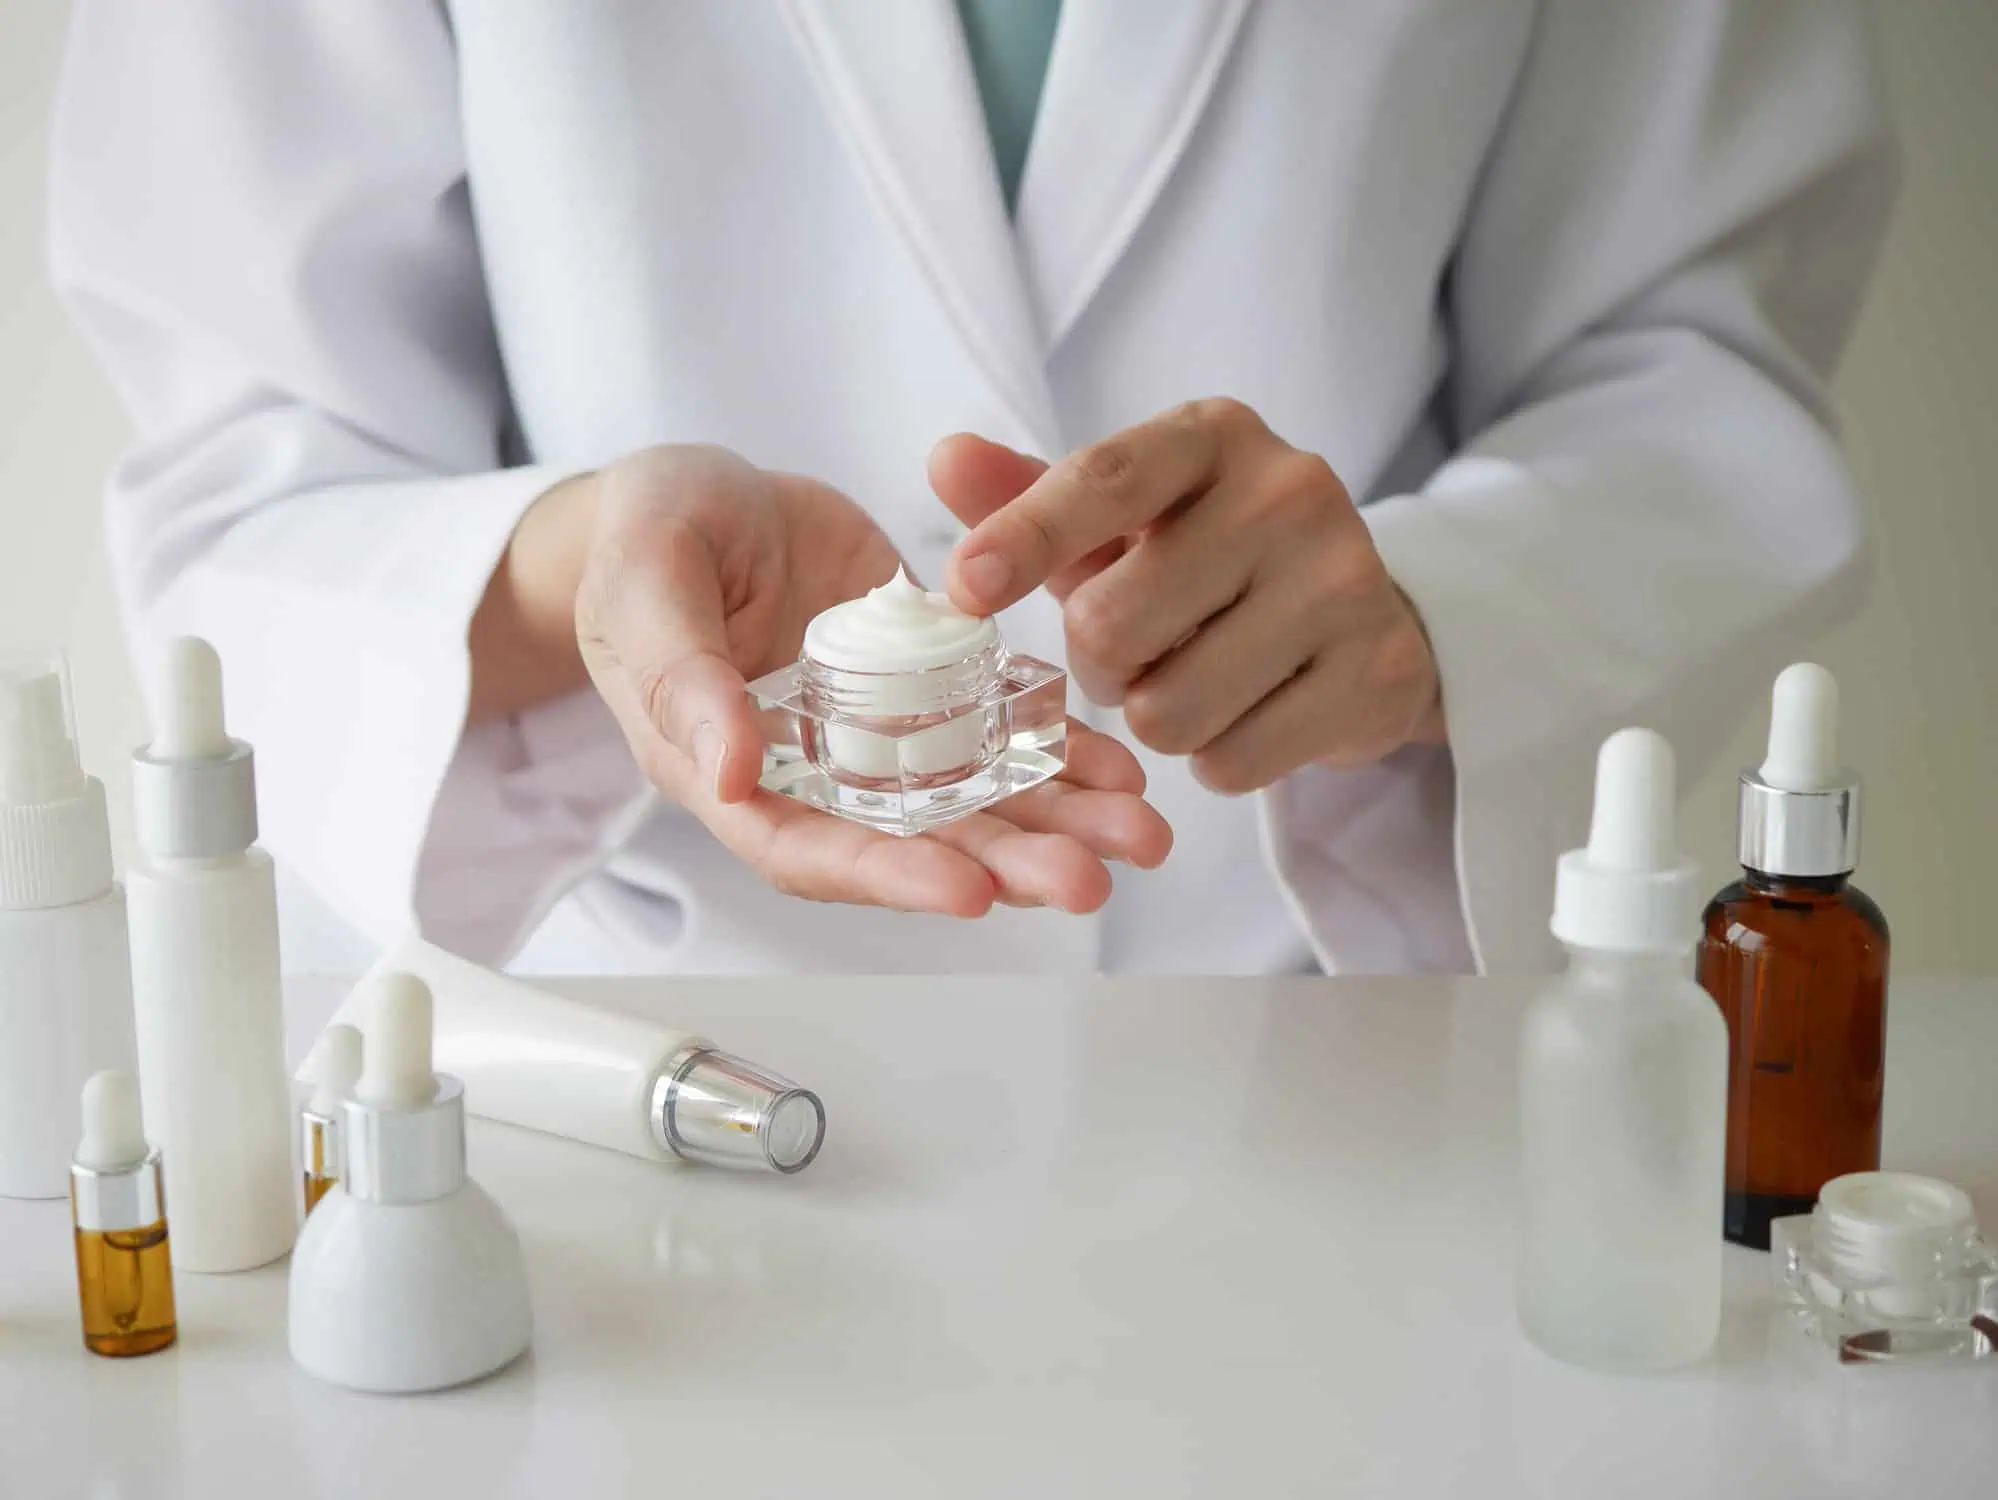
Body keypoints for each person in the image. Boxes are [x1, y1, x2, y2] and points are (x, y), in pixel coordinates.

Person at [50, 1, 1896, 977]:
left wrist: (1434, 609)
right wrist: (579, 569)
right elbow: (246, 487)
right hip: (651, 1026)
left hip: (1307, 1007)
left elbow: (1693, 376)